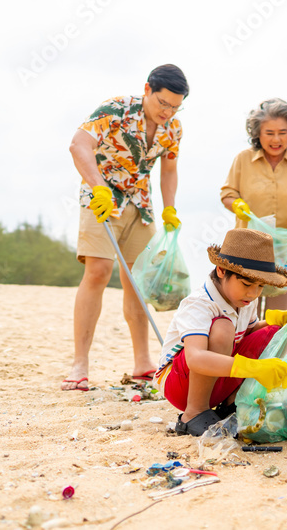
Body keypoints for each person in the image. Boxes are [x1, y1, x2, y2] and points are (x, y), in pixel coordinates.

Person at [62, 64, 188, 392]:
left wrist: (170, 207)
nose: (168, 112)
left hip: (141, 205)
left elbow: (169, 169)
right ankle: (80, 365)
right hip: (102, 197)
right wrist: (98, 186)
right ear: (147, 90)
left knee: (137, 280)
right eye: (163, 103)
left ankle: (143, 362)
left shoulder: (173, 128)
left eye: (176, 106)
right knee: (99, 271)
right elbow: (79, 145)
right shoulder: (116, 110)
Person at [154, 228, 287, 436]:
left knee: (272, 332)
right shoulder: (199, 303)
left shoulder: (243, 300)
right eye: (246, 283)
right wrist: (255, 368)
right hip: (182, 385)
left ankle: (230, 405)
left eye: (260, 286)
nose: (253, 293)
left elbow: (248, 332)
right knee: (223, 327)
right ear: (221, 271)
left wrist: (276, 320)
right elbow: (196, 358)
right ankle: (194, 414)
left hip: (217, 377)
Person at [220, 98, 287, 309]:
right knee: (246, 305)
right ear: (257, 133)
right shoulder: (243, 160)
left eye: (283, 132)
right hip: (248, 246)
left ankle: (275, 343)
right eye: (269, 133)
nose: (276, 139)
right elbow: (227, 193)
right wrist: (237, 205)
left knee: (279, 309)